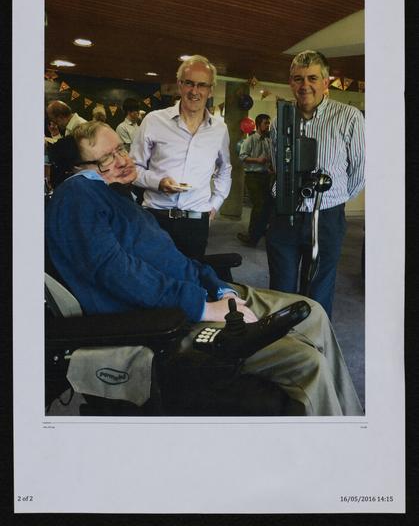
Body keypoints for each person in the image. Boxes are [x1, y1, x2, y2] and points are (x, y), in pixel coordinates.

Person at [45, 120, 363, 416]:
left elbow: (176, 262)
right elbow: (118, 274)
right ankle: (336, 451)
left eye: (120, 149)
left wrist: (219, 288)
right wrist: (204, 307)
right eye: (106, 158)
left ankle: (348, 422)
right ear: (78, 168)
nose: (122, 159)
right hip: (165, 319)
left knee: (312, 310)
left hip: (198, 293)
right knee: (306, 360)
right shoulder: (77, 196)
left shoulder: (116, 197)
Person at [266, 50, 365, 318]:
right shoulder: (280, 119)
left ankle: (314, 348)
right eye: (298, 79)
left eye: (312, 78)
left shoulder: (349, 117)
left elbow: (359, 171)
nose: (304, 85)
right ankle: (284, 348)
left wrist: (333, 198)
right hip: (285, 213)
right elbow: (277, 165)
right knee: (281, 289)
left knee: (319, 289)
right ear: (290, 83)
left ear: (325, 81)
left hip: (327, 217)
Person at [129, 55, 232, 259]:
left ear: (210, 90)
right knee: (152, 276)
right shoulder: (154, 120)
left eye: (202, 85)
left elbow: (225, 168)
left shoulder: (220, 129)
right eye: (189, 83)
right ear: (179, 85)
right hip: (155, 218)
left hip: (196, 222)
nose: (195, 91)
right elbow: (132, 168)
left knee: (190, 277)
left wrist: (215, 203)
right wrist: (158, 183)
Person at [237, 114, 273, 247]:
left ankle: (260, 231)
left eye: (268, 123)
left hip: (265, 175)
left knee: (267, 205)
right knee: (259, 205)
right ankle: (252, 236)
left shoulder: (268, 140)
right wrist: (257, 160)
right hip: (252, 175)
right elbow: (242, 157)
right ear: (258, 125)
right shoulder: (250, 140)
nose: (268, 126)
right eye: (265, 123)